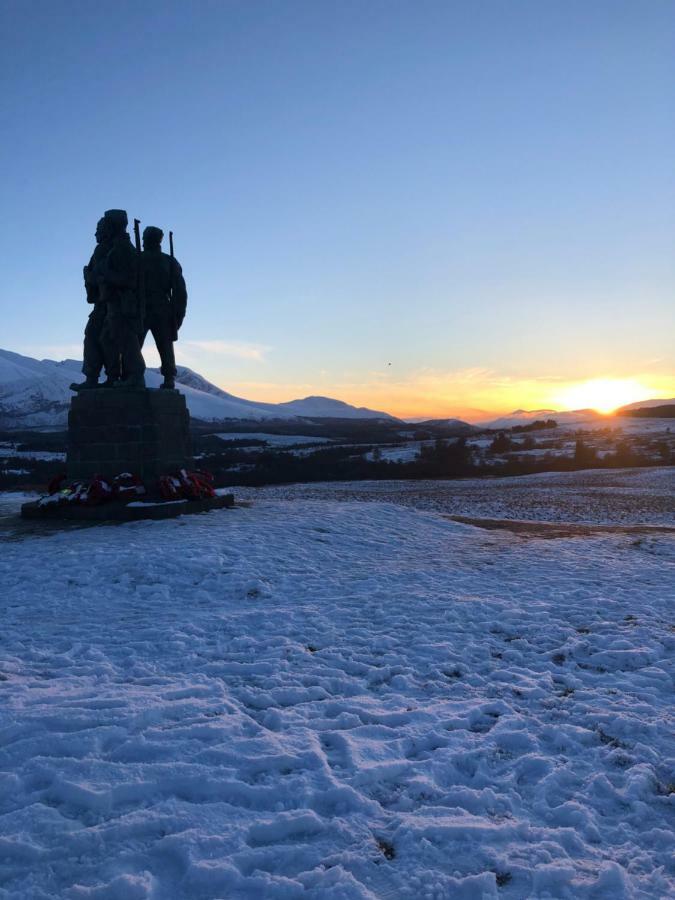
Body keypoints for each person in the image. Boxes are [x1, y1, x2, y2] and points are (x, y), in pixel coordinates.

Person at [70, 217, 120, 391]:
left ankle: (111, 377)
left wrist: (89, 276)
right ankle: (94, 377)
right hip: (102, 304)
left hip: (113, 304)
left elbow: (102, 276)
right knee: (93, 336)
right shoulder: (103, 249)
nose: (96, 233)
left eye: (99, 229)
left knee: (107, 339)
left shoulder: (114, 250)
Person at [99, 209, 146, 389]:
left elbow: (128, 279)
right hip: (115, 303)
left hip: (123, 303)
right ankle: (114, 376)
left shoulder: (123, 248)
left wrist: (104, 274)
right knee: (108, 338)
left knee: (126, 339)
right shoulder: (116, 247)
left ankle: (136, 375)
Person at [140, 225, 187, 389]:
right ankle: (168, 377)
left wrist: (177, 315)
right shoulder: (169, 261)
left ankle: (133, 375)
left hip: (143, 308)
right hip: (160, 308)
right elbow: (180, 292)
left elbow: (179, 291)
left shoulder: (138, 259)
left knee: (136, 344)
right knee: (164, 346)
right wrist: (178, 314)